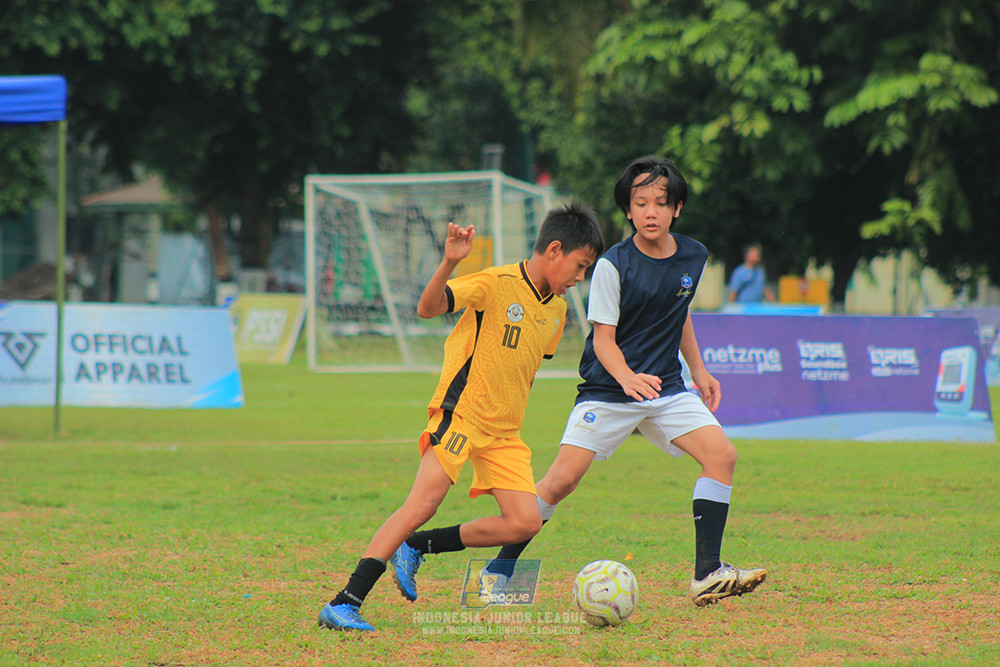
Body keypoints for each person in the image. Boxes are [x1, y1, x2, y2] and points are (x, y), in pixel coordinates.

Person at [483, 156, 766, 607]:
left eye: (661, 202)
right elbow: (603, 340)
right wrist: (628, 378)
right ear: (628, 211)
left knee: (722, 456)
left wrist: (699, 369)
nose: (651, 211)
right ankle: (500, 573)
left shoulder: (693, 255)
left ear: (677, 209)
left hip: (665, 389)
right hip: (610, 390)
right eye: (641, 203)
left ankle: (707, 573)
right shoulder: (613, 265)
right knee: (559, 483)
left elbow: (680, 312)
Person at [317, 203, 605, 631]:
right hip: (462, 415)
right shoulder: (497, 282)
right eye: (580, 266)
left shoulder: (557, 311)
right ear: (555, 250)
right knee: (422, 503)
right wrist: (451, 261)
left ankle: (416, 547)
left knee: (524, 522)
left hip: (504, 433)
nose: (579, 278)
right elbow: (428, 308)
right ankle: (345, 601)